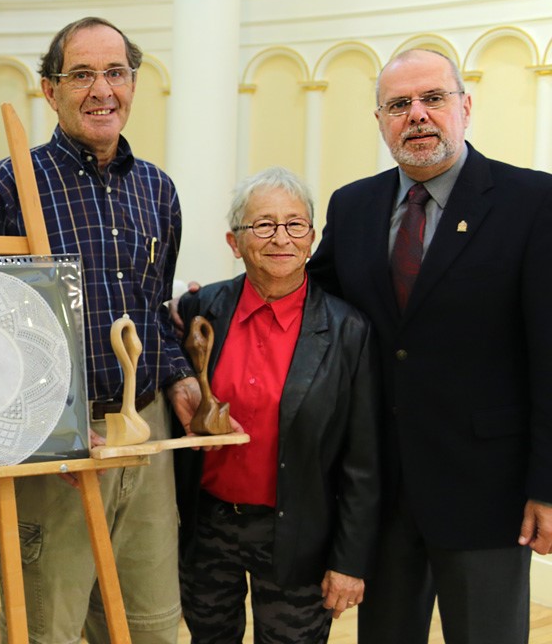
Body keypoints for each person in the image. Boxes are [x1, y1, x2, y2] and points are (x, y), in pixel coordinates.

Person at [0, 16, 200, 644]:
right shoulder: (7, 186)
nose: (103, 90)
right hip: (53, 455)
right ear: (50, 89)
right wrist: (48, 432)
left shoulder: (157, 190)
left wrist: (177, 379)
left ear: (134, 83)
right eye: (84, 75)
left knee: (149, 628)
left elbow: (154, 308)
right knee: (49, 632)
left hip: (144, 438)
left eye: (115, 73)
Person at [308, 48, 552, 643]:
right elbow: (313, 307)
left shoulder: (533, 203)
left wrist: (548, 484)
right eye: (399, 105)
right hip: (379, 494)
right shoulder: (353, 206)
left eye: (432, 99)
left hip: (487, 492)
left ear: (465, 108)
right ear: (380, 121)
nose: (416, 115)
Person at [173, 168, 379, 643]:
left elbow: (363, 461)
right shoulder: (201, 312)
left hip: (298, 534)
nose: (280, 238)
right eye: (263, 224)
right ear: (234, 241)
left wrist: (348, 561)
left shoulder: (348, 331)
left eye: (295, 224)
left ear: (312, 238)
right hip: (208, 529)